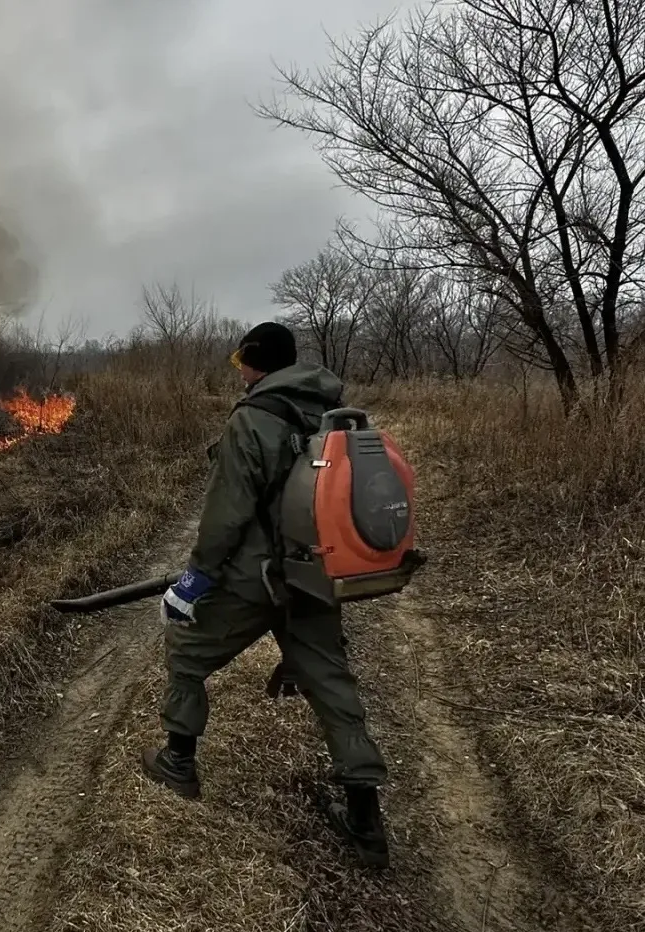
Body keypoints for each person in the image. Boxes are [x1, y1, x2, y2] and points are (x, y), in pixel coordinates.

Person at [141, 321, 390, 868]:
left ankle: (178, 761)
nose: (241, 373)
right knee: (332, 682)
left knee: (185, 650)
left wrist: (195, 581)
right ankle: (366, 818)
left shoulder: (252, 419)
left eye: (242, 363)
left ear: (258, 364)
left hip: (256, 579)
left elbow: (227, 513)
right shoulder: (328, 414)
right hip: (314, 574)